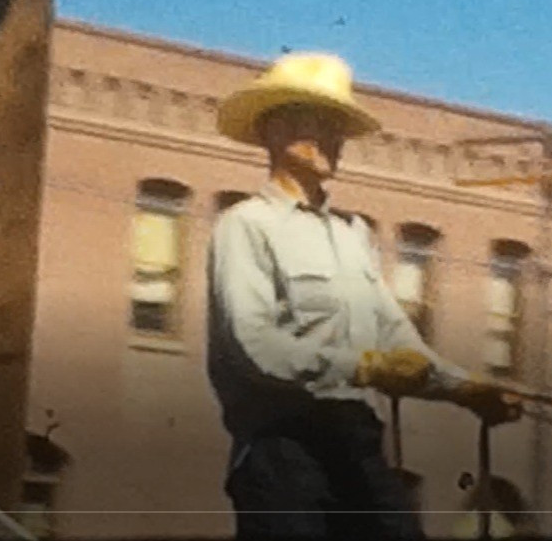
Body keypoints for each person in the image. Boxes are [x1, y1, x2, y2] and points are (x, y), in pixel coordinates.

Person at [207, 52, 523, 541]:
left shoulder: (352, 234)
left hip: (355, 441)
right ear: (273, 130)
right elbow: (254, 346)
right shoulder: (245, 225)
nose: (330, 137)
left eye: (337, 126)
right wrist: (365, 367)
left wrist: (464, 389)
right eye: (314, 121)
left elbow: (394, 336)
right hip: (281, 448)